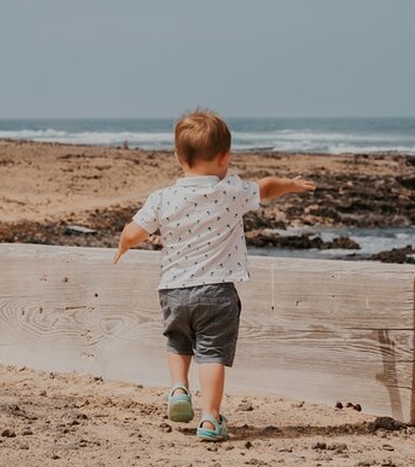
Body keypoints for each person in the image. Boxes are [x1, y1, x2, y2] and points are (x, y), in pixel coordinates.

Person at [112, 108, 316, 441]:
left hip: (173, 290)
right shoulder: (232, 190)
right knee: (212, 354)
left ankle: (179, 388)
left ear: (179, 157)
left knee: (177, 341)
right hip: (217, 292)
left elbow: (134, 232)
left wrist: (123, 245)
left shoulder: (162, 198)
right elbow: (266, 187)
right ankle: (209, 418)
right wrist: (291, 185)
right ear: (224, 157)